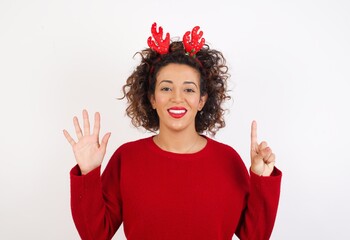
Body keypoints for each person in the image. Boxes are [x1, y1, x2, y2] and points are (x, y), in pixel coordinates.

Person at [63, 22, 282, 240]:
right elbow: (95, 234)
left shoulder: (228, 160)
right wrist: (88, 173)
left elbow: (255, 236)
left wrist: (262, 180)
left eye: (188, 89)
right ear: (152, 99)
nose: (177, 98)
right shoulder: (127, 158)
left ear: (202, 100)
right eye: (166, 88)